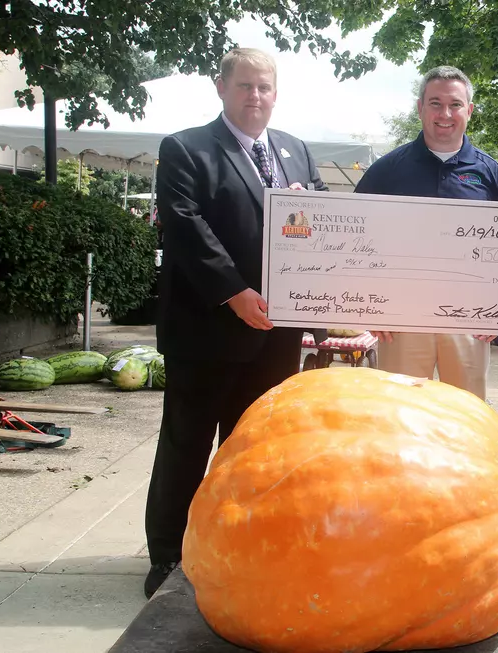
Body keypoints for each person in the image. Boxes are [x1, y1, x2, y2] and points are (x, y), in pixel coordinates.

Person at [143, 47, 329, 599]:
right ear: (220, 88)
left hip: (275, 335)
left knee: (256, 452)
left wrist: (310, 214)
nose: (255, 97)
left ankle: (241, 552)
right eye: (244, 86)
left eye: (264, 87)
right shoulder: (186, 148)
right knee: (187, 446)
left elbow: (322, 231)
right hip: (206, 332)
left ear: (276, 93)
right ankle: (167, 560)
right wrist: (234, 292)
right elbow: (183, 226)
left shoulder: (296, 152)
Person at [353, 66, 498, 400]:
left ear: (469, 111)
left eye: (455, 104)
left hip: (469, 322)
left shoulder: (491, 174)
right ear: (420, 108)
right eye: (435, 103)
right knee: (399, 413)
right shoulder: (387, 170)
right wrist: (366, 308)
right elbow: (355, 240)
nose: (445, 114)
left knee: (467, 415)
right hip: (400, 320)